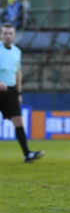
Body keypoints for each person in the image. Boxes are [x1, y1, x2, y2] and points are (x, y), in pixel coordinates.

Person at [0, 23, 44, 162]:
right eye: (5, 33)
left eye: (10, 33)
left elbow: (18, 73)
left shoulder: (17, 51)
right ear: (1, 34)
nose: (8, 36)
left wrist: (19, 93)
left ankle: (27, 154)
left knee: (18, 122)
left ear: (14, 35)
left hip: (11, 91)